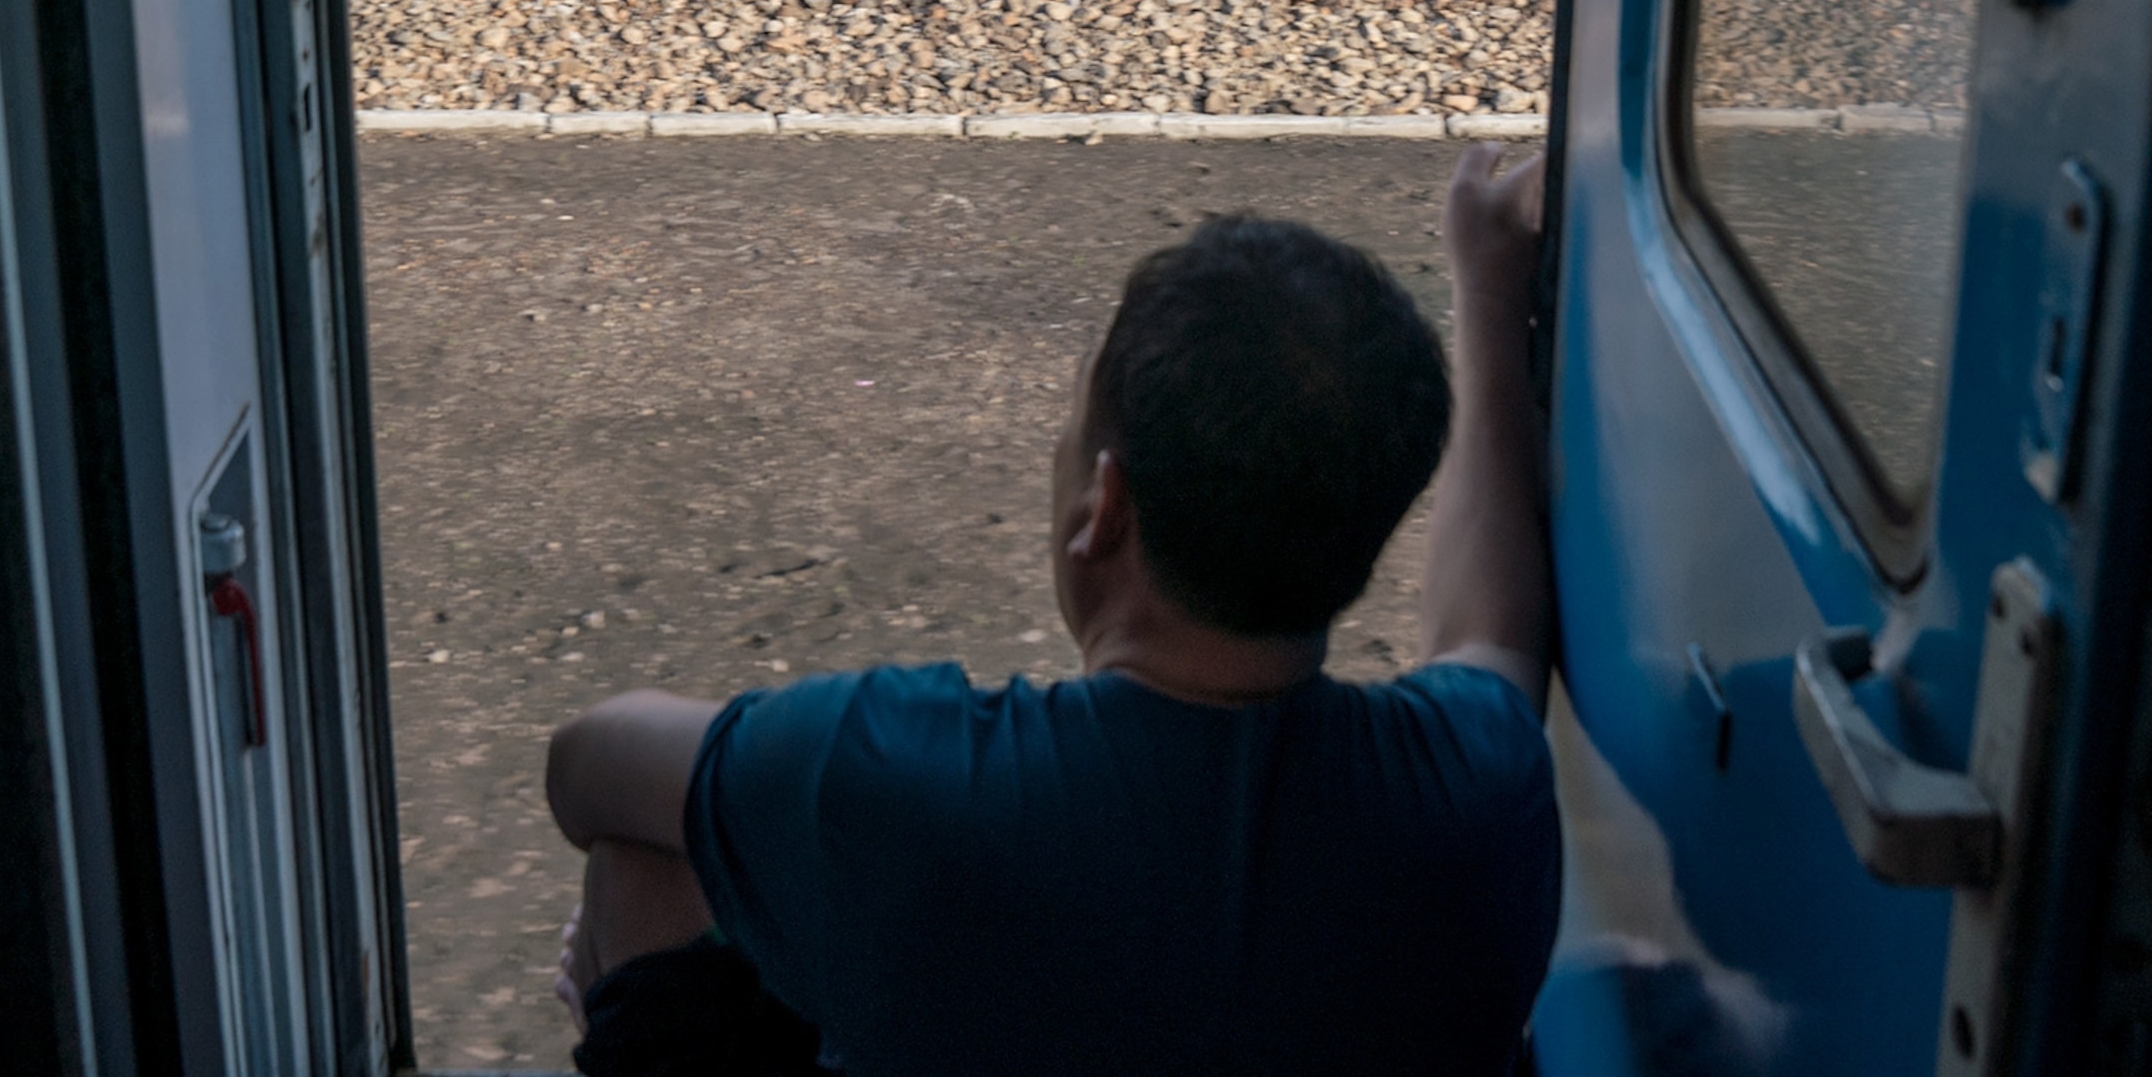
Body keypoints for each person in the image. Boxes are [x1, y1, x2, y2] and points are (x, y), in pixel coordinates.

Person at [543, 145, 1560, 1077]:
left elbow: (586, 766)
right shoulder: (1482, 787)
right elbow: (1493, 631)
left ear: (1103, 507)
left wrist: (628, 1005)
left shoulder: (890, 776)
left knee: (653, 866)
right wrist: (1486, 284)